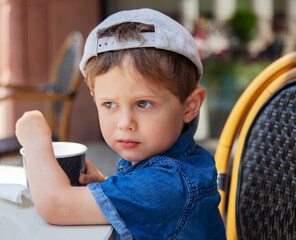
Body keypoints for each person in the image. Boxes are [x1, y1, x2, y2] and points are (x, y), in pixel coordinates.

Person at [15, 8, 226, 240]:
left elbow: (56, 205)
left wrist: (36, 142)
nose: (125, 123)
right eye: (109, 105)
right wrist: (107, 187)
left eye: (144, 104)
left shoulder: (170, 183)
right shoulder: (165, 168)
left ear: (190, 106)